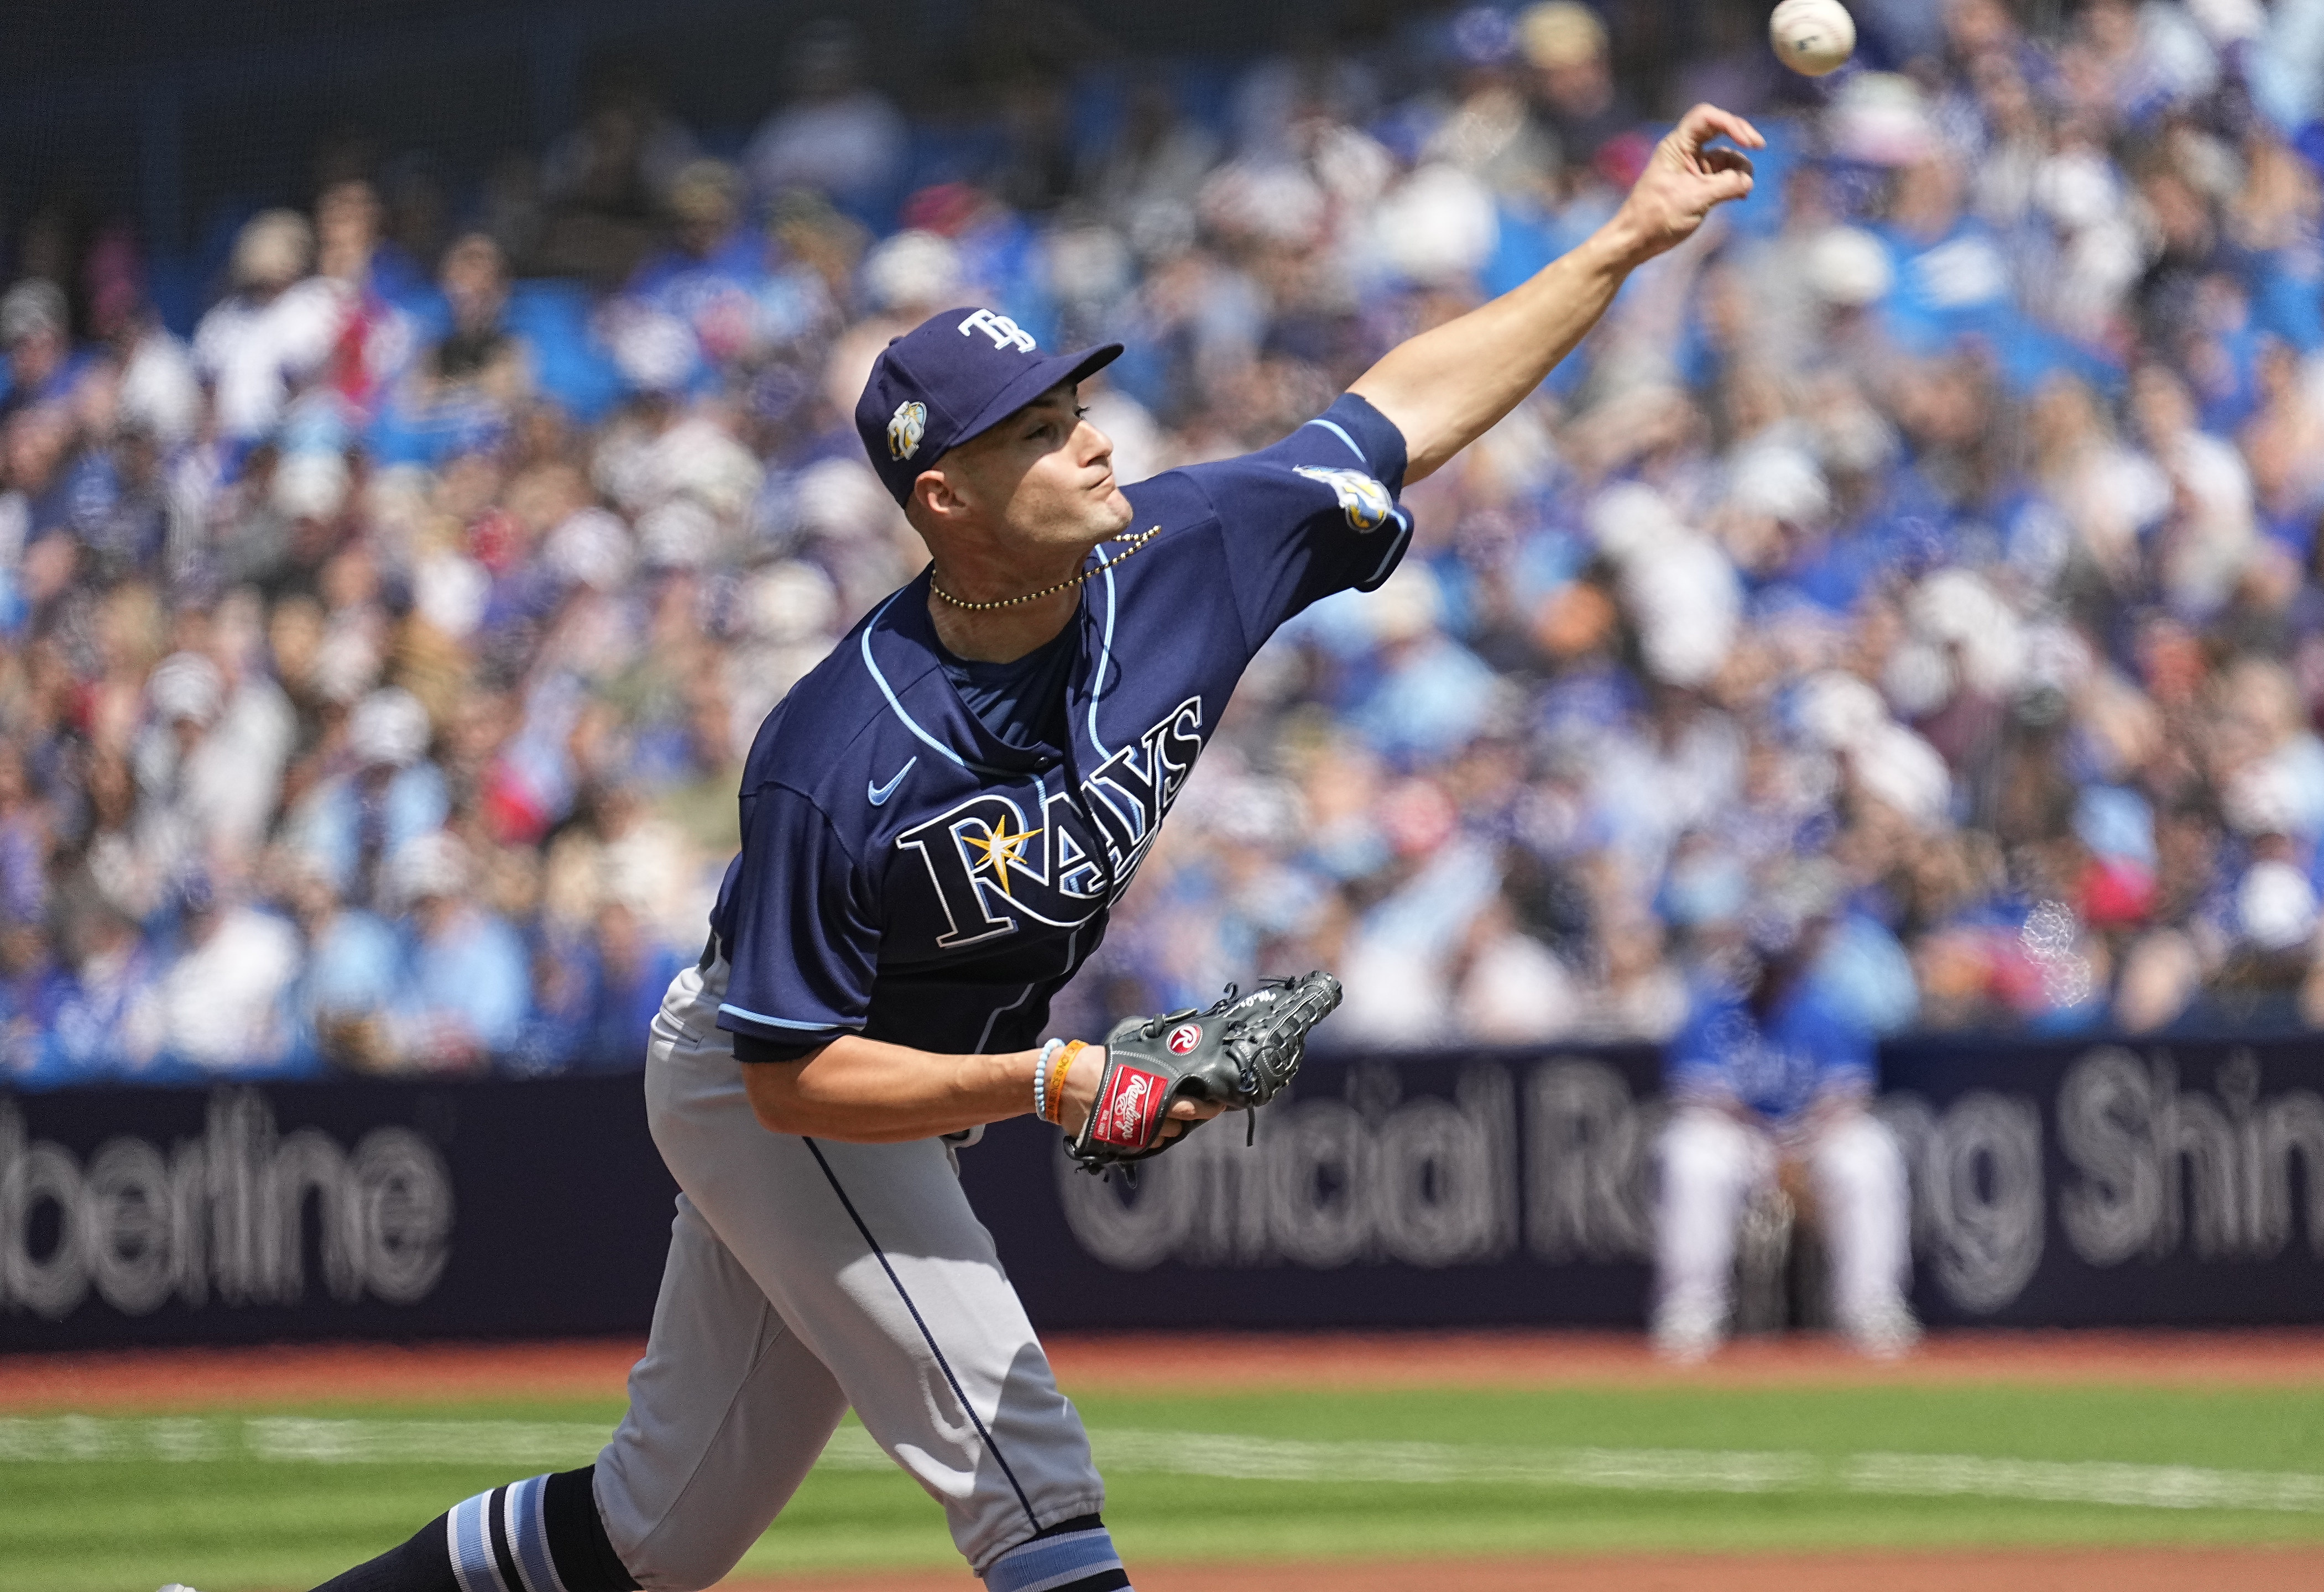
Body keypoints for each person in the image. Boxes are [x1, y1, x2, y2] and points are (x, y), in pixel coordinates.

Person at [299, 103, 1763, 1592]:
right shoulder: (839, 751)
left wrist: (1625, 240)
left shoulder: (1190, 551)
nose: (1094, 440)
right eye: (1042, 433)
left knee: (650, 1534)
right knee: (1029, 1477)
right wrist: (1052, 1081)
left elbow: (1402, 410)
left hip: (897, 1090)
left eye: (1078, 408)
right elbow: (789, 1075)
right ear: (949, 500)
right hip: (785, 1084)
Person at [1647, 867, 1920, 1363]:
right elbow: (1701, 1098)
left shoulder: (1827, 1010)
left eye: (1780, 964)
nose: (1772, 975)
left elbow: (1848, 1098)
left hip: (1813, 1137)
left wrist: (1797, 1148)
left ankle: (1871, 1306)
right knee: (1692, 1153)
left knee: (1869, 1154)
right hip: (1742, 1140)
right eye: (1764, 963)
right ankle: (1692, 1307)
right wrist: (1771, 1149)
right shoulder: (1716, 1008)